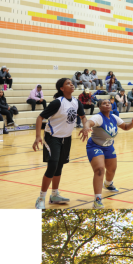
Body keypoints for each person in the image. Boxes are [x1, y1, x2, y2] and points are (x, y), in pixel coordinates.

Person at [33, 78, 84, 210]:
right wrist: (38, 136)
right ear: (61, 88)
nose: (71, 84)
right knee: (53, 165)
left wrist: (85, 127)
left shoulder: (77, 102)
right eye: (68, 83)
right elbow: (40, 117)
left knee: (59, 166)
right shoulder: (57, 103)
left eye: (72, 83)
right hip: (53, 137)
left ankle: (54, 195)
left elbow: (83, 117)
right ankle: (41, 198)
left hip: (66, 138)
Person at [81, 96, 133, 207]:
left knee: (111, 169)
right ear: (99, 107)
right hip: (95, 146)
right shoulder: (98, 117)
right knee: (100, 170)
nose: (107, 104)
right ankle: (97, 200)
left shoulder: (114, 117)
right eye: (104, 103)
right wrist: (86, 127)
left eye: (108, 103)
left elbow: (125, 127)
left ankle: (108, 184)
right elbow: (89, 122)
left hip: (108, 146)